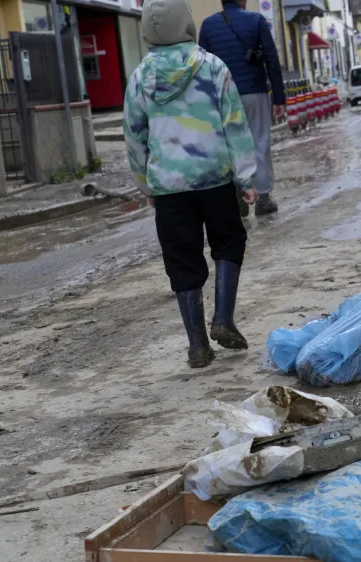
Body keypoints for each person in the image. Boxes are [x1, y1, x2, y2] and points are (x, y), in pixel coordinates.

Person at [124, 0, 258, 368]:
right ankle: (223, 318)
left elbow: (134, 137)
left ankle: (198, 345)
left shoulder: (140, 77)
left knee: (181, 259)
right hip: (214, 177)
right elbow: (235, 123)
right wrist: (246, 176)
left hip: (168, 184)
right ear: (187, 23)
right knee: (229, 240)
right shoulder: (213, 66)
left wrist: (146, 184)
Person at [199, 0, 285, 216]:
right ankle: (264, 198)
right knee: (260, 141)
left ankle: (238, 191)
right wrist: (279, 98)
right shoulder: (256, 20)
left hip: (222, 96)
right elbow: (272, 60)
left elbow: (201, 65)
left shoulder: (208, 25)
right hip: (254, 92)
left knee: (229, 145)